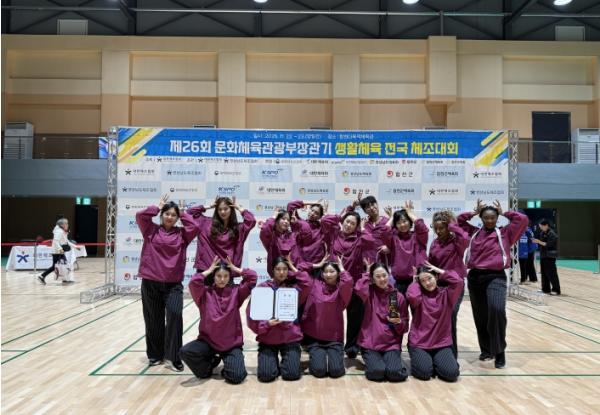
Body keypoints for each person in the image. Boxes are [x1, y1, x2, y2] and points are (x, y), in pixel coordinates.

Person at [457, 199, 527, 369]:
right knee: (481, 316)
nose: (489, 220)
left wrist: (504, 212)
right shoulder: (474, 232)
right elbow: (458, 221)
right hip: (475, 277)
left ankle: (499, 351)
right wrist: (473, 212)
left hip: (496, 277)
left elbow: (522, 219)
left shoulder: (505, 233)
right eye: (486, 217)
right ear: (481, 218)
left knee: (496, 311)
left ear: (497, 218)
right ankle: (486, 349)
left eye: (493, 217)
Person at [135, 194, 199, 372]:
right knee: (153, 320)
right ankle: (155, 354)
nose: (170, 217)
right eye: (167, 213)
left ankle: (174, 356)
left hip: (173, 285)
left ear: (177, 218)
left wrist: (184, 213)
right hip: (150, 282)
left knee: (175, 316)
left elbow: (195, 226)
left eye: (174, 215)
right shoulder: (150, 229)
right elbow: (140, 216)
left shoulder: (182, 234)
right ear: (161, 215)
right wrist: (156, 207)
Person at [180, 256, 257, 384]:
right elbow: (193, 282)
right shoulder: (204, 294)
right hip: (208, 343)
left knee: (237, 376)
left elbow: (252, 277)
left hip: (231, 345)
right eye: (219, 276)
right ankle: (209, 366)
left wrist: (235, 268)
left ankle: (228, 366)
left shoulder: (237, 292)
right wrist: (209, 270)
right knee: (185, 352)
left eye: (226, 276)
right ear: (213, 277)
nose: (222, 279)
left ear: (230, 277)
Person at [321, 207, 379, 358]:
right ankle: (331, 343)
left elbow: (371, 242)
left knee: (355, 316)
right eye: (347, 221)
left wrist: (363, 229)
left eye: (353, 224)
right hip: (334, 283)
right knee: (331, 315)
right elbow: (325, 221)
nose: (348, 225)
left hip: (354, 283)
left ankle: (352, 347)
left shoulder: (360, 238)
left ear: (356, 226)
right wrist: (340, 216)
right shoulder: (334, 233)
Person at [246, 256, 312, 382]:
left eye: (285, 269)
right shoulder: (262, 288)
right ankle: (271, 362)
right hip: (268, 339)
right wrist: (266, 324)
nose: (281, 272)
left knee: (291, 375)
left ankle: (290, 361)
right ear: (272, 270)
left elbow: (308, 283)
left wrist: (293, 268)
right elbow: (251, 316)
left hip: (290, 338)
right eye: (278, 269)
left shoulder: (294, 289)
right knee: (266, 376)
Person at [406, 262, 463, 382]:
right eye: (423, 281)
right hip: (420, 343)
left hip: (441, 344)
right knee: (424, 373)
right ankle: (425, 361)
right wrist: (415, 281)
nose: (427, 283)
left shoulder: (447, 294)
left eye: (429, 278)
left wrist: (440, 271)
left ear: (436, 277)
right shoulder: (419, 296)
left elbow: (458, 282)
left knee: (452, 374)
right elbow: (412, 297)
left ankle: (435, 362)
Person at [355, 262, 409, 382]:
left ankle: (391, 363)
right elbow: (358, 288)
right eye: (378, 276)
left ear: (389, 275)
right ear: (372, 278)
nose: (382, 279)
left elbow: (404, 327)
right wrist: (366, 274)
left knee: (394, 373)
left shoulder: (396, 297)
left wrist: (398, 322)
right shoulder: (368, 293)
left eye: (384, 275)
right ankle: (375, 363)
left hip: (391, 345)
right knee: (377, 372)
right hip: (370, 344)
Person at [300, 256, 353, 378]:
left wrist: (342, 269)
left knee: (336, 371)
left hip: (334, 338)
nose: (328, 274)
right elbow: (300, 270)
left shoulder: (341, 290)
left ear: (338, 273)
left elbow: (348, 282)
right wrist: (317, 265)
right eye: (325, 271)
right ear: (322, 273)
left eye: (332, 271)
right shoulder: (314, 284)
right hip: (315, 338)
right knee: (319, 371)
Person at [427, 210, 469, 359]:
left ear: (448, 227)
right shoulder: (434, 243)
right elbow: (431, 264)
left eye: (442, 228)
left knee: (450, 317)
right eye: (436, 228)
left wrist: (453, 225)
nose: (438, 231)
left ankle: (452, 356)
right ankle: (438, 352)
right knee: (439, 318)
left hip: (455, 286)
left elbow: (466, 238)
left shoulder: (457, 241)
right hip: (439, 286)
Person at [187, 196, 256, 273]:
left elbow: (251, 221)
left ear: (231, 209)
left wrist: (240, 209)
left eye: (225, 209)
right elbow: (189, 213)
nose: (222, 212)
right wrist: (210, 206)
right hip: (206, 270)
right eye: (219, 209)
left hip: (226, 272)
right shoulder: (205, 223)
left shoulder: (238, 229)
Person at [382, 200, 429, 296]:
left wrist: (410, 213)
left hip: (418, 280)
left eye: (404, 221)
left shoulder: (418, 237)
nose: (402, 225)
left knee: (418, 306)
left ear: (410, 222)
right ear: (395, 225)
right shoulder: (393, 238)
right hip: (398, 282)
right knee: (393, 305)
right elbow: (384, 231)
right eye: (399, 223)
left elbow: (422, 227)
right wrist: (392, 217)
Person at [260, 209, 309, 276]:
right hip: (279, 276)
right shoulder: (272, 237)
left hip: (295, 275)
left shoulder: (293, 235)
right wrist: (273, 218)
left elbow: (307, 235)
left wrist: (297, 222)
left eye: (288, 220)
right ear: (276, 221)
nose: (286, 221)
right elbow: (264, 231)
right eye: (283, 219)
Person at [286, 199, 329, 267]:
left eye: (316, 213)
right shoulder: (298, 222)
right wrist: (314, 202)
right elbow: (291, 205)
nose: (312, 213)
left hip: (317, 265)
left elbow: (331, 222)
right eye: (312, 210)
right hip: (301, 264)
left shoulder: (322, 228)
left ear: (320, 216)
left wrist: (326, 213)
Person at [354, 191, 390, 263]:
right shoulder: (363, 224)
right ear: (364, 211)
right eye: (368, 207)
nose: (371, 208)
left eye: (373, 204)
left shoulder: (387, 222)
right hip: (366, 262)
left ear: (377, 204)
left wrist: (389, 248)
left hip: (383, 262)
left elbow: (394, 240)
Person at [37, 218, 75, 285]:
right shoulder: (59, 231)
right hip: (57, 252)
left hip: (59, 251)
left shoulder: (62, 231)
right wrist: (60, 249)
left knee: (64, 265)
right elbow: (55, 241)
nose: (67, 225)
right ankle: (42, 276)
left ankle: (65, 279)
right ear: (62, 225)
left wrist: (75, 246)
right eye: (66, 223)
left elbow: (66, 241)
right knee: (57, 266)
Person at [533, 219, 560, 295]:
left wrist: (539, 241)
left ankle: (556, 290)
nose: (541, 228)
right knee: (544, 273)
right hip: (543, 255)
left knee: (552, 273)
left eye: (542, 226)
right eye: (540, 227)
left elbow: (549, 244)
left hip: (550, 256)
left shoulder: (552, 234)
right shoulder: (542, 233)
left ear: (546, 225)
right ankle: (545, 289)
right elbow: (542, 244)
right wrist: (537, 241)